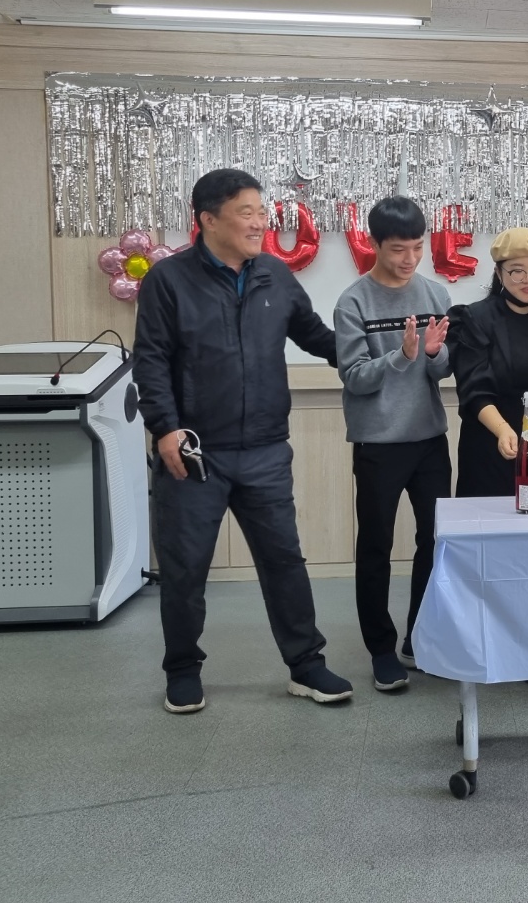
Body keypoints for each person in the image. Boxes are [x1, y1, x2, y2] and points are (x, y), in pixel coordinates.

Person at [133, 168, 353, 714]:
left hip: (264, 449)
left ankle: (306, 665)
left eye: (262, 212)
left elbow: (317, 337)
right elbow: (151, 360)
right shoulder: (169, 280)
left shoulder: (274, 274)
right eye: (247, 212)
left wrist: (383, 352)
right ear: (209, 220)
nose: (260, 223)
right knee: (186, 569)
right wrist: (164, 427)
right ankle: (182, 670)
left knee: (285, 561)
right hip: (194, 452)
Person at [334, 196, 452, 694]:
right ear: (375, 245)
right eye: (399, 249)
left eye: (417, 247)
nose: (410, 258)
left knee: (436, 542)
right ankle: (381, 650)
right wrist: (402, 356)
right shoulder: (353, 302)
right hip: (379, 443)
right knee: (376, 546)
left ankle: (417, 638)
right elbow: (355, 377)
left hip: (429, 439)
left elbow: (444, 370)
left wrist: (433, 355)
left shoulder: (436, 294)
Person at [450, 227, 528, 499]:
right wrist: (502, 429)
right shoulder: (476, 318)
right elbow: (473, 388)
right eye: (517, 271)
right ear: (499, 273)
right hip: (487, 441)